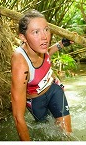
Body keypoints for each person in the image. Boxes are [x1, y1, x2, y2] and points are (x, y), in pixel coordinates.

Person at [11, 10, 74, 140]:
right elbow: (18, 117)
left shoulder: (39, 46)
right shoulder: (20, 63)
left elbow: (46, 55)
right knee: (45, 133)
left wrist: (61, 44)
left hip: (53, 91)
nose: (44, 37)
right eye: (36, 32)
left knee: (66, 136)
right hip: (36, 101)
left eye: (46, 30)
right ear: (23, 37)